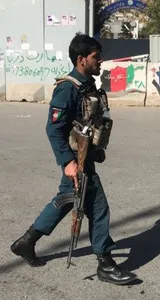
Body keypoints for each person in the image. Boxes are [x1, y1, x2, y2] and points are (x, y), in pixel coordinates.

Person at [10, 33, 137, 285]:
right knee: (98, 208)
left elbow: (90, 122)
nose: (101, 61)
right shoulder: (68, 88)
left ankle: (27, 242)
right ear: (81, 59)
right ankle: (105, 262)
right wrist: (67, 161)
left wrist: (97, 149)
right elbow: (53, 129)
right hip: (76, 160)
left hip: (85, 156)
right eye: (96, 57)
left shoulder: (88, 84)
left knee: (67, 199)